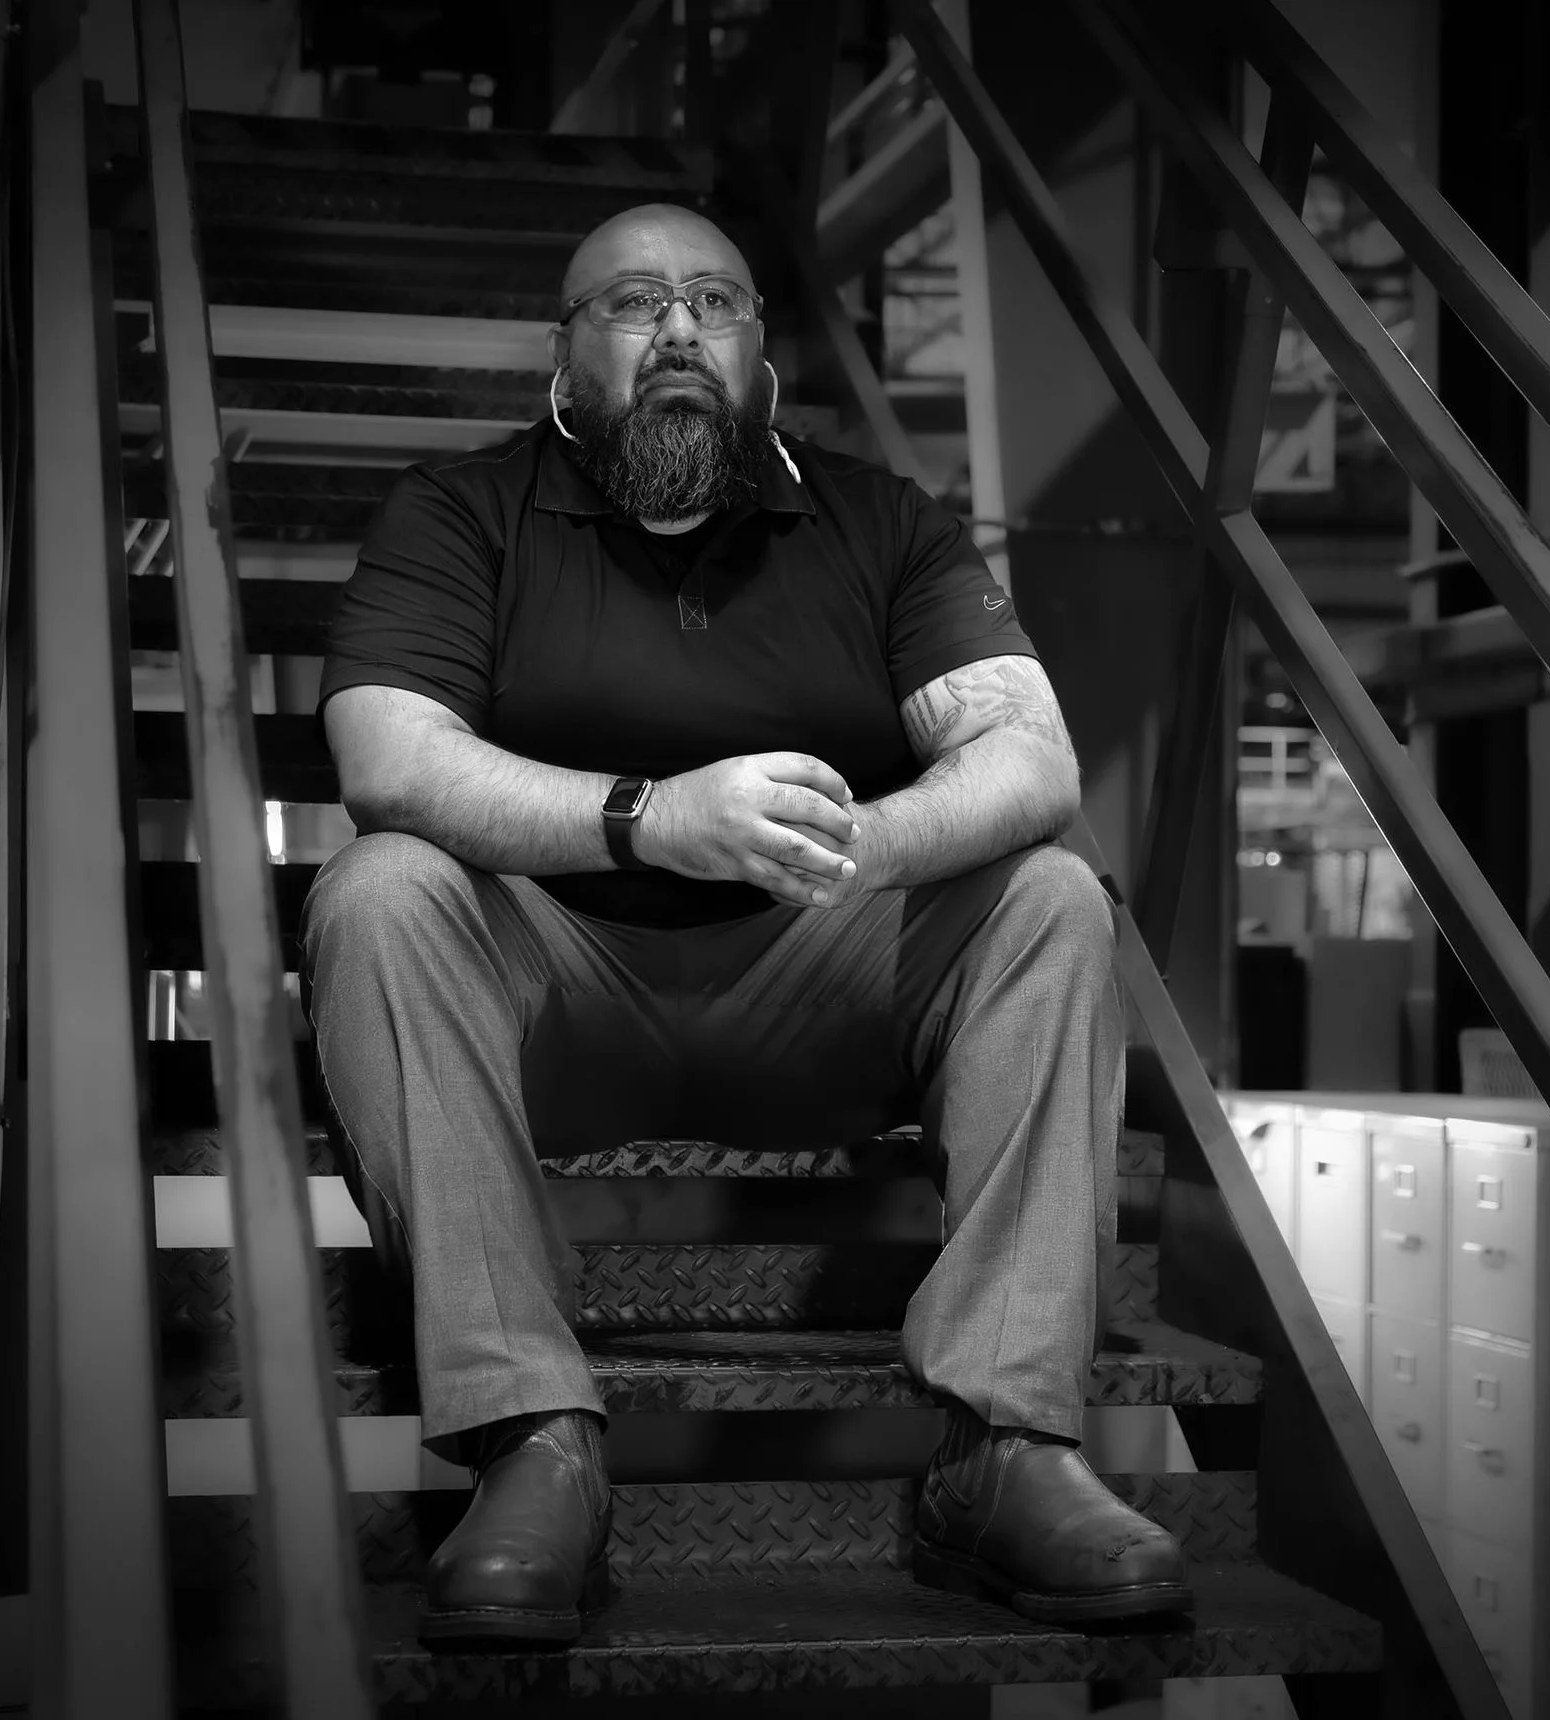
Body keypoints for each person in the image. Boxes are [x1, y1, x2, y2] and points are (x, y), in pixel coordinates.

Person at [303, 202, 1187, 1649]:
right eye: (633, 302)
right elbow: (388, 761)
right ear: (563, 355)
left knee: (1049, 896)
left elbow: (1030, 759)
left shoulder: (882, 523)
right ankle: (534, 1438)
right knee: (380, 889)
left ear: (761, 349)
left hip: (816, 985)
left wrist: (854, 846)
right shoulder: (456, 514)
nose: (676, 333)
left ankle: (1007, 1450)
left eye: (713, 303)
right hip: (557, 998)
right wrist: (648, 817)